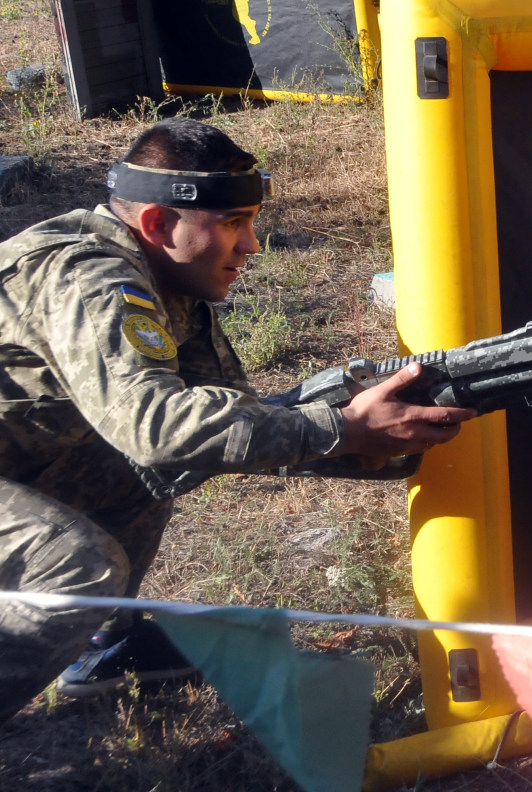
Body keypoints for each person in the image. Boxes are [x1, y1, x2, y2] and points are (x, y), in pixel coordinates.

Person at [0, 118, 475, 724]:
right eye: (232, 224)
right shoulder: (88, 276)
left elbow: (234, 423)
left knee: (165, 463)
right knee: (75, 564)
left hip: (22, 458)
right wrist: (344, 427)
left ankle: (102, 645)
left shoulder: (170, 280)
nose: (252, 245)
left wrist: (377, 433)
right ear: (156, 224)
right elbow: (157, 423)